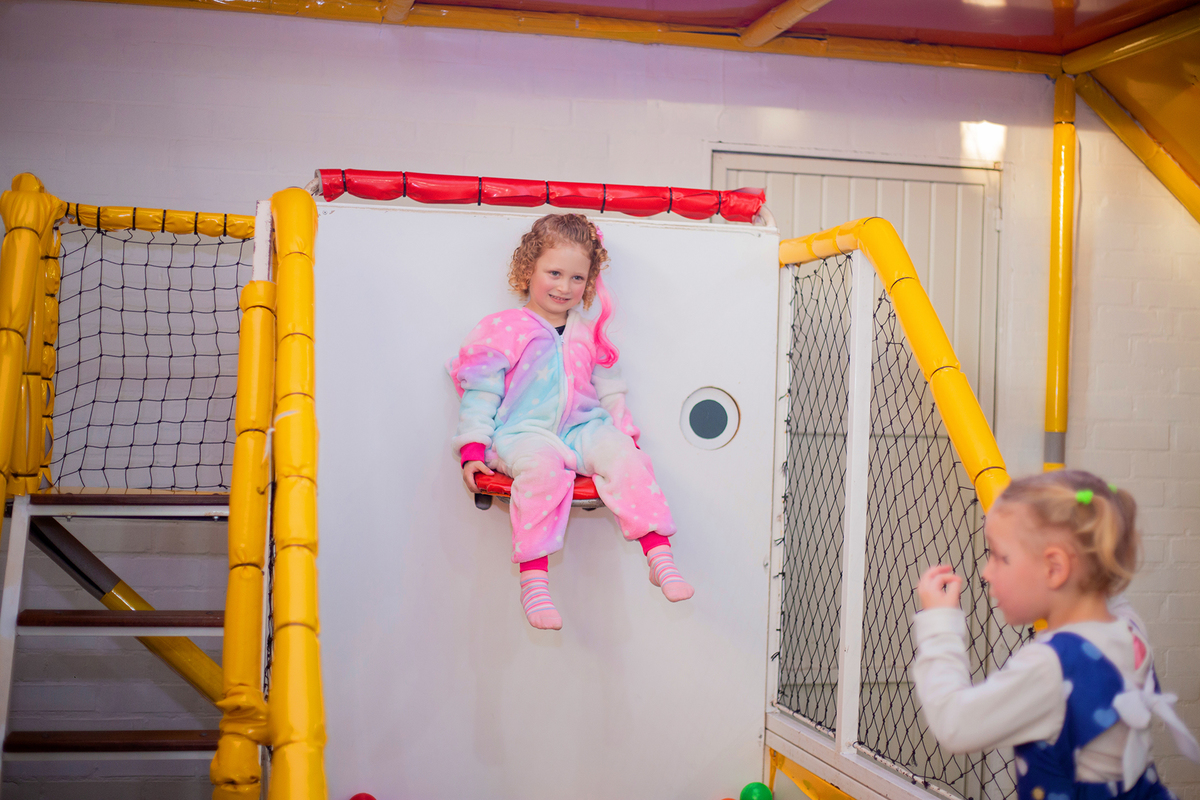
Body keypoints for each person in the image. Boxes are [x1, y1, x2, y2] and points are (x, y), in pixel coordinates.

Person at [448, 213, 693, 631]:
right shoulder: (503, 328)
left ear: (589, 282)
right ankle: (534, 581)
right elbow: (480, 392)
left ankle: (660, 557)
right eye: (554, 273)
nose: (564, 287)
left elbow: (611, 391)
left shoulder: (589, 333)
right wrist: (472, 450)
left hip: (582, 428)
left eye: (577, 278)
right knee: (541, 471)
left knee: (625, 456)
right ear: (529, 270)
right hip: (523, 433)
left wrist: (625, 437)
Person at [912, 470, 1198, 800]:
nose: (986, 573)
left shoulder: (1052, 666)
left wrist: (939, 623)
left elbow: (955, 724)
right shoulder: (1129, 631)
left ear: (1054, 569)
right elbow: (1106, 592)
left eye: (1000, 556)